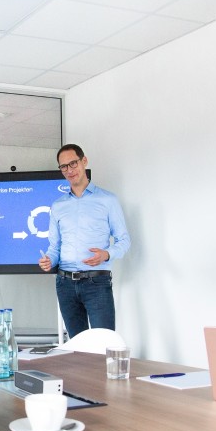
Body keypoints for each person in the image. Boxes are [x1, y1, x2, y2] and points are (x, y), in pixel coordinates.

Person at [39, 144, 131, 338]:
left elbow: (124, 240)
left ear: (84, 161)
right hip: (65, 284)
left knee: (104, 343)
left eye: (73, 163)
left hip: (96, 282)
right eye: (64, 167)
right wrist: (49, 260)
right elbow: (55, 247)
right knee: (77, 348)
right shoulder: (58, 206)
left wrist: (106, 254)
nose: (69, 170)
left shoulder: (108, 200)